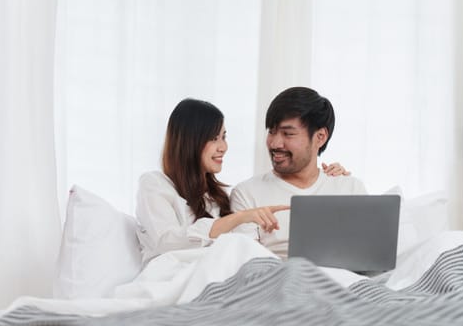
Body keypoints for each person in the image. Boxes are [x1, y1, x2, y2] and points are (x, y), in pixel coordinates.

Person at [135, 98, 349, 265]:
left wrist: (334, 180)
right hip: (167, 281)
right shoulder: (154, 184)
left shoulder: (216, 198)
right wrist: (237, 219)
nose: (223, 147)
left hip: (210, 284)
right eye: (213, 138)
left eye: (224, 137)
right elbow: (165, 242)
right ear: (189, 141)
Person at [231, 87, 367, 259]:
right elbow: (251, 266)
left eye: (288, 134)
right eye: (271, 132)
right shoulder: (246, 194)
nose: (275, 143)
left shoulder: (350, 188)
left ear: (320, 137)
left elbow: (365, 258)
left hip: (346, 281)